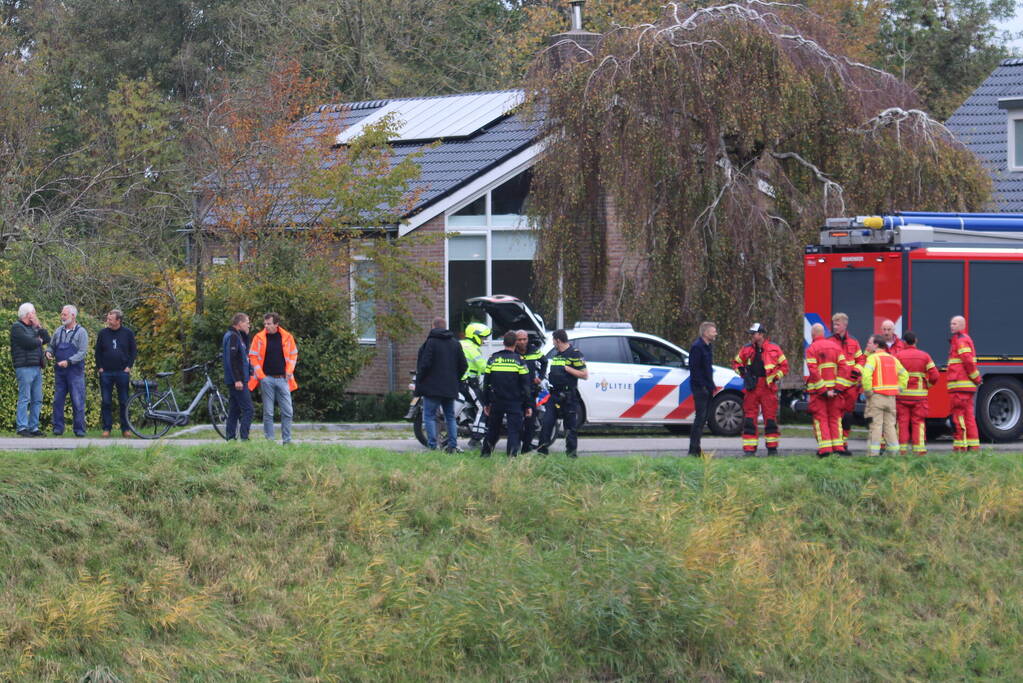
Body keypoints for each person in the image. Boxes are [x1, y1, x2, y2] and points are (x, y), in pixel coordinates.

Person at [732, 322, 788, 456]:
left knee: (770, 419)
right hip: (752, 387)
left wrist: (775, 377)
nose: (751, 336)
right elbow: (736, 363)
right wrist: (743, 374)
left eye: (754, 334)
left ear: (761, 334)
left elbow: (784, 366)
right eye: (751, 334)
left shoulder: (774, 348)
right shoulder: (746, 349)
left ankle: (772, 449)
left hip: (768, 387)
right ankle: (749, 449)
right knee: (749, 419)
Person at [414, 317, 468, 452]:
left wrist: (421, 380)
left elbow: (425, 364)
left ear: (433, 326)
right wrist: (455, 379)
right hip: (450, 388)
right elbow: (464, 365)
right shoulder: (455, 343)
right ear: (445, 327)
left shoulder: (430, 342)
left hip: (432, 388)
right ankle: (452, 445)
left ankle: (433, 445)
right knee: (450, 416)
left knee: (429, 416)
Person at [247, 312, 299, 445]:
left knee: (288, 411)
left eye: (269, 323)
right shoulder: (259, 337)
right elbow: (252, 356)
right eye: (265, 323)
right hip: (267, 379)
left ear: (276, 324)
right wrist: (261, 376)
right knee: (268, 412)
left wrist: (289, 371)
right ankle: (270, 441)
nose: (266, 326)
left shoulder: (287, 337)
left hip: (283, 379)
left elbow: (293, 354)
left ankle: (287, 440)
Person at [480, 331, 532, 457]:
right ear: (515, 343)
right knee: (514, 431)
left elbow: (486, 383)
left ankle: (485, 454)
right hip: (515, 402)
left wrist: (486, 403)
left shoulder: (493, 359)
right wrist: (528, 405)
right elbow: (526, 385)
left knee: (493, 429)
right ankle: (511, 457)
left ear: (503, 343)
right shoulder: (519, 360)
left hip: (496, 401)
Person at [537, 329, 588, 457]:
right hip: (554, 395)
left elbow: (584, 375)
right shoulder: (557, 355)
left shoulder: (575, 354)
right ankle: (542, 452)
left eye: (553, 340)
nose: (553, 343)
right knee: (547, 422)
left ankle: (571, 455)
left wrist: (567, 368)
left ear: (558, 340)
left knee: (570, 426)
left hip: (569, 396)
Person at [806, 323, 849, 457]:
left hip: (819, 393)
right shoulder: (836, 347)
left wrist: (824, 390)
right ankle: (838, 448)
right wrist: (837, 389)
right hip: (835, 392)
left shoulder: (811, 349)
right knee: (835, 419)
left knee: (821, 419)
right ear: (823, 333)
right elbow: (844, 368)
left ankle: (825, 450)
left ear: (813, 334)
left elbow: (813, 371)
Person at [861, 334, 908, 457]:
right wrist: (899, 389)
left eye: (870, 343)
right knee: (890, 426)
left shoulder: (873, 358)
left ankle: (873, 455)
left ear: (876, 345)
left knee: (875, 426)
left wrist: (868, 392)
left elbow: (866, 376)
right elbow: (905, 375)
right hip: (891, 398)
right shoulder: (892, 359)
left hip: (877, 397)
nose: (868, 345)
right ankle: (894, 453)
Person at [895, 331, 939, 455]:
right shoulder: (924, 356)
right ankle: (919, 452)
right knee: (918, 423)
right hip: (919, 397)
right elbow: (935, 375)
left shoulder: (898, 356)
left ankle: (902, 451)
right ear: (916, 341)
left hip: (902, 397)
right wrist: (927, 386)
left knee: (902, 423)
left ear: (904, 342)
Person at [95, 309, 137, 438]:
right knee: (106, 401)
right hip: (106, 373)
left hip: (122, 372)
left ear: (118, 320)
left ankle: (126, 429)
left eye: (110, 319)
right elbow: (98, 352)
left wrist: (128, 367)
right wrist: (100, 367)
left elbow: (133, 351)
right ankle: (107, 428)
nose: (108, 321)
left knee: (124, 401)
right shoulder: (103, 333)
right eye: (108, 318)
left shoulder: (128, 333)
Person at [47, 305, 88, 437]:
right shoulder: (58, 331)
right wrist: (48, 352)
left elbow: (82, 352)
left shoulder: (82, 332)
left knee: (77, 401)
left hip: (75, 372)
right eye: (62, 314)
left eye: (65, 314)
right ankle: (58, 428)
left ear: (73, 316)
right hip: (60, 372)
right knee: (58, 400)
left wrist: (69, 361)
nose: (62, 316)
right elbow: (51, 346)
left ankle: (79, 430)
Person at [10, 303, 50, 437]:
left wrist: (39, 326)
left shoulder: (34, 327)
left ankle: (34, 427)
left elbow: (47, 338)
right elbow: (28, 343)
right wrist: (39, 341)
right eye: (34, 312)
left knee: (37, 399)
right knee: (25, 398)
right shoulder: (17, 327)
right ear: (28, 314)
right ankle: (22, 427)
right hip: (24, 367)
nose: (35, 315)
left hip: (37, 367)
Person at [831, 312, 865, 454]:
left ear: (845, 325)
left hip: (850, 386)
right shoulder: (830, 342)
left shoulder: (853, 342)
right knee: (835, 416)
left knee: (847, 416)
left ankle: (843, 444)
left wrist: (857, 370)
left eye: (837, 324)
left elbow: (861, 360)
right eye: (834, 324)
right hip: (836, 386)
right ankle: (836, 444)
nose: (835, 327)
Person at [947, 315, 982, 452]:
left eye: (954, 324)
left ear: (962, 325)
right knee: (968, 417)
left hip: (959, 386)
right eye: (951, 323)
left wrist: (976, 378)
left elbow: (967, 361)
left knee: (958, 417)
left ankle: (960, 447)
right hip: (964, 387)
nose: (951, 326)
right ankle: (973, 446)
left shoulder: (961, 341)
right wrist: (975, 379)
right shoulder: (960, 339)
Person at [222, 312, 253, 441]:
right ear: (240, 323)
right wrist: (238, 379)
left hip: (236, 379)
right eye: (247, 322)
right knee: (248, 409)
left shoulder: (237, 336)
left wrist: (246, 335)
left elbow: (244, 355)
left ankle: (230, 438)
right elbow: (233, 359)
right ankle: (244, 438)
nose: (249, 325)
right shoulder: (233, 337)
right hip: (237, 380)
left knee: (234, 410)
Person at [688, 321, 717, 456]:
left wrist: (711, 385)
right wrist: (703, 386)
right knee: (699, 419)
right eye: (713, 331)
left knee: (703, 418)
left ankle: (697, 449)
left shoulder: (707, 347)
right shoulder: (697, 347)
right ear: (705, 333)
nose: (716, 333)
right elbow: (694, 370)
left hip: (707, 387)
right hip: (700, 388)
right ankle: (693, 450)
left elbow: (707, 369)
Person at [516, 330, 547, 454]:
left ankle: (526, 447)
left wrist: (540, 377)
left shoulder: (534, 350)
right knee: (517, 421)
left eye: (524, 339)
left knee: (530, 422)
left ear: (527, 339)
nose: (522, 342)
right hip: (517, 392)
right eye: (519, 339)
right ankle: (516, 445)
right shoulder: (512, 351)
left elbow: (544, 361)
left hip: (531, 392)